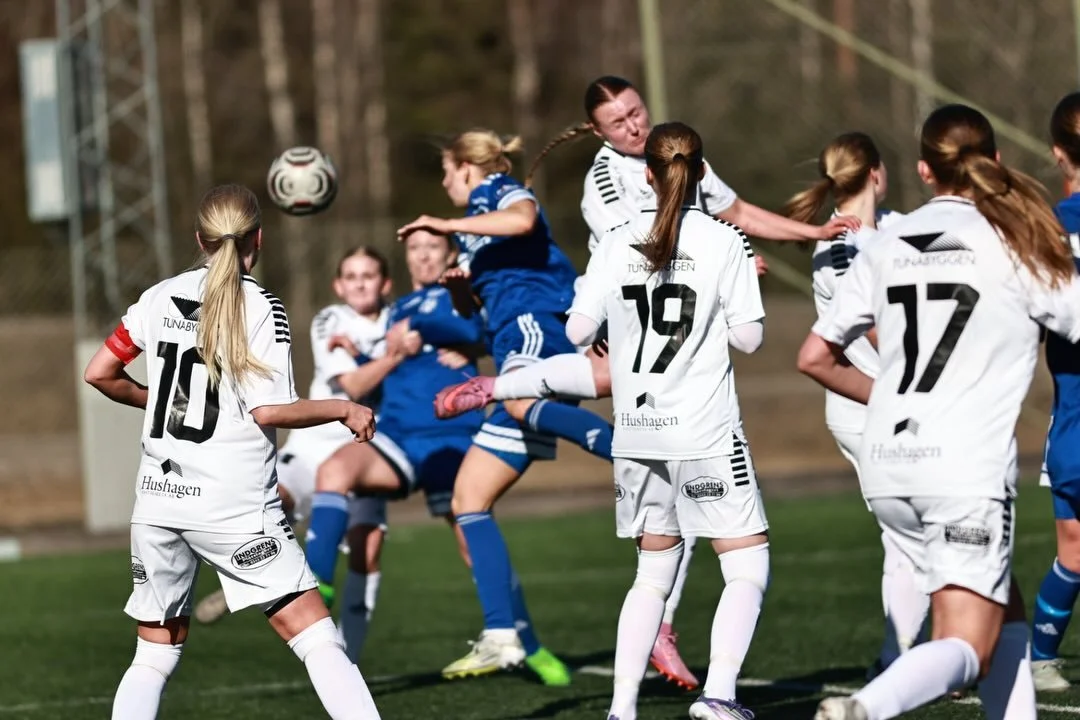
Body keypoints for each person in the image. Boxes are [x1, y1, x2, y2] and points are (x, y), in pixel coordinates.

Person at [432, 76, 859, 689]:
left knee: (653, 542)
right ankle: (708, 684)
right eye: (618, 122)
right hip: (658, 353)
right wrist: (729, 265)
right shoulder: (608, 185)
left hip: (643, 361)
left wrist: (807, 234)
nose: (632, 126)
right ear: (597, 132)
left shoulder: (678, 158)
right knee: (734, 547)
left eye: (636, 112)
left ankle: (628, 686)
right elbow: (666, 263)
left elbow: (733, 214)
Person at [797, 104, 1080, 720]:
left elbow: (814, 356)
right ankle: (864, 707)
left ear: (925, 170)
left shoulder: (884, 242)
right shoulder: (1014, 238)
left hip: (888, 463)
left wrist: (891, 400)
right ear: (995, 160)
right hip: (961, 469)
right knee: (968, 644)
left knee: (1004, 611)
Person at [82, 184, 381, 719]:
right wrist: (343, 408)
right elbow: (269, 411)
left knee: (153, 656)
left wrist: (161, 401)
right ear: (257, 239)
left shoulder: (158, 297)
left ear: (200, 239)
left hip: (158, 500)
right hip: (233, 507)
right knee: (316, 637)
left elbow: (99, 372)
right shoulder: (262, 306)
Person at [303, 228, 570, 682]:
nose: (423, 256)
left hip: (455, 439)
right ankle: (317, 585)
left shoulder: (461, 295)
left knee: (474, 544)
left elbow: (486, 329)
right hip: (399, 437)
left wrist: (456, 340)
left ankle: (529, 646)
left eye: (432, 247)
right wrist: (362, 352)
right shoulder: (398, 309)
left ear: (449, 254)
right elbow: (393, 363)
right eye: (414, 248)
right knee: (334, 470)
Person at [568, 121, 768, 720]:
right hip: (704, 431)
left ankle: (622, 708)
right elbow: (750, 339)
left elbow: (578, 330)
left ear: (648, 175)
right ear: (701, 171)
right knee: (746, 564)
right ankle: (720, 695)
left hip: (637, 434)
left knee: (653, 573)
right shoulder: (725, 240)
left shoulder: (614, 241)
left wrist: (608, 309)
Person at [395, 129, 603, 681]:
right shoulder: (474, 231)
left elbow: (524, 218)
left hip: (534, 326)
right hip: (510, 336)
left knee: (514, 402)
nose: (445, 183)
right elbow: (478, 315)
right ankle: (502, 636)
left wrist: (445, 225)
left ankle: (624, 446)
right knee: (469, 500)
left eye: (447, 172)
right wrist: (461, 288)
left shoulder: (492, 191)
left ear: (467, 167)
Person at [192, 247, 393, 660]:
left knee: (368, 551)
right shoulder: (330, 320)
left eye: (368, 275)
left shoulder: (400, 321)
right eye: (351, 276)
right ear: (338, 285)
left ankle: (348, 658)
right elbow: (354, 386)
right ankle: (245, 580)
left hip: (368, 454)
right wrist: (397, 354)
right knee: (273, 502)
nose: (359, 283)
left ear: (385, 283)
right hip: (314, 447)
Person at [782, 132, 929, 677]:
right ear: (875, 173)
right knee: (910, 535)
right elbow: (872, 328)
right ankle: (904, 659)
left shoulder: (893, 226)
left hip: (895, 406)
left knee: (917, 531)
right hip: (866, 408)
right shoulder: (841, 247)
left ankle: (916, 655)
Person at [1030, 90, 1080, 692]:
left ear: (1058, 153)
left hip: (1070, 414)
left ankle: (1041, 659)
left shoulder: (1041, 228)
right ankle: (1040, 657)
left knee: (1073, 547)